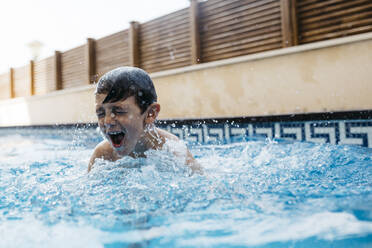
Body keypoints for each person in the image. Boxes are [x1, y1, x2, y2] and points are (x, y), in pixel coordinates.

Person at [88, 66, 202, 174]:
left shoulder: (173, 151)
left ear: (150, 114)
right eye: (101, 113)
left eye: (119, 111)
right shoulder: (103, 155)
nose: (107, 121)